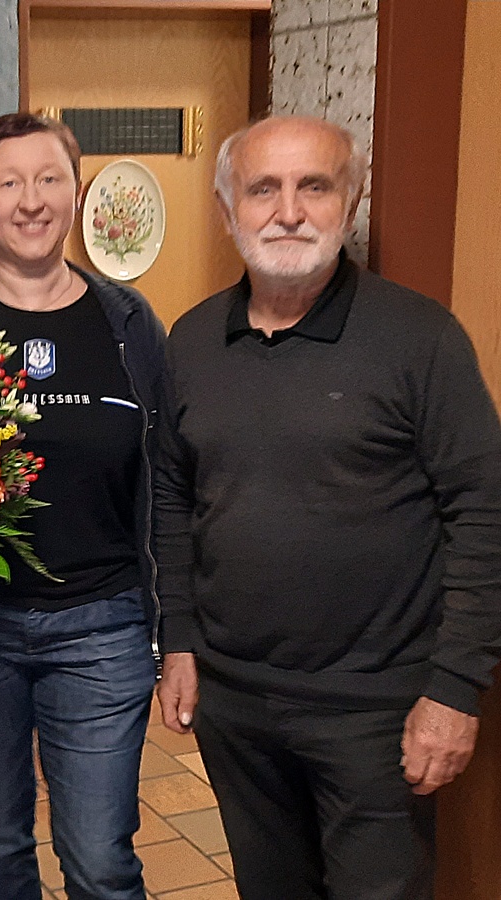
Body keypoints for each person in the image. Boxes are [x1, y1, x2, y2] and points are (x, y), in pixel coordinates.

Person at [154, 115, 501, 900]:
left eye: (315, 186)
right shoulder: (193, 341)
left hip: (377, 711)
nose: (288, 211)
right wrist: (177, 641)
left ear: (353, 198)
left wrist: (454, 688)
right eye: (263, 189)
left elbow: (484, 511)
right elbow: (173, 502)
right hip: (235, 702)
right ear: (227, 209)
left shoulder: (421, 340)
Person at [0, 113, 166, 900]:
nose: (31, 200)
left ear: (78, 192)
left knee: (98, 859)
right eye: (9, 182)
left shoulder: (128, 324)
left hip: (103, 625)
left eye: (49, 178)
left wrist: (177, 626)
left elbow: (166, 477)